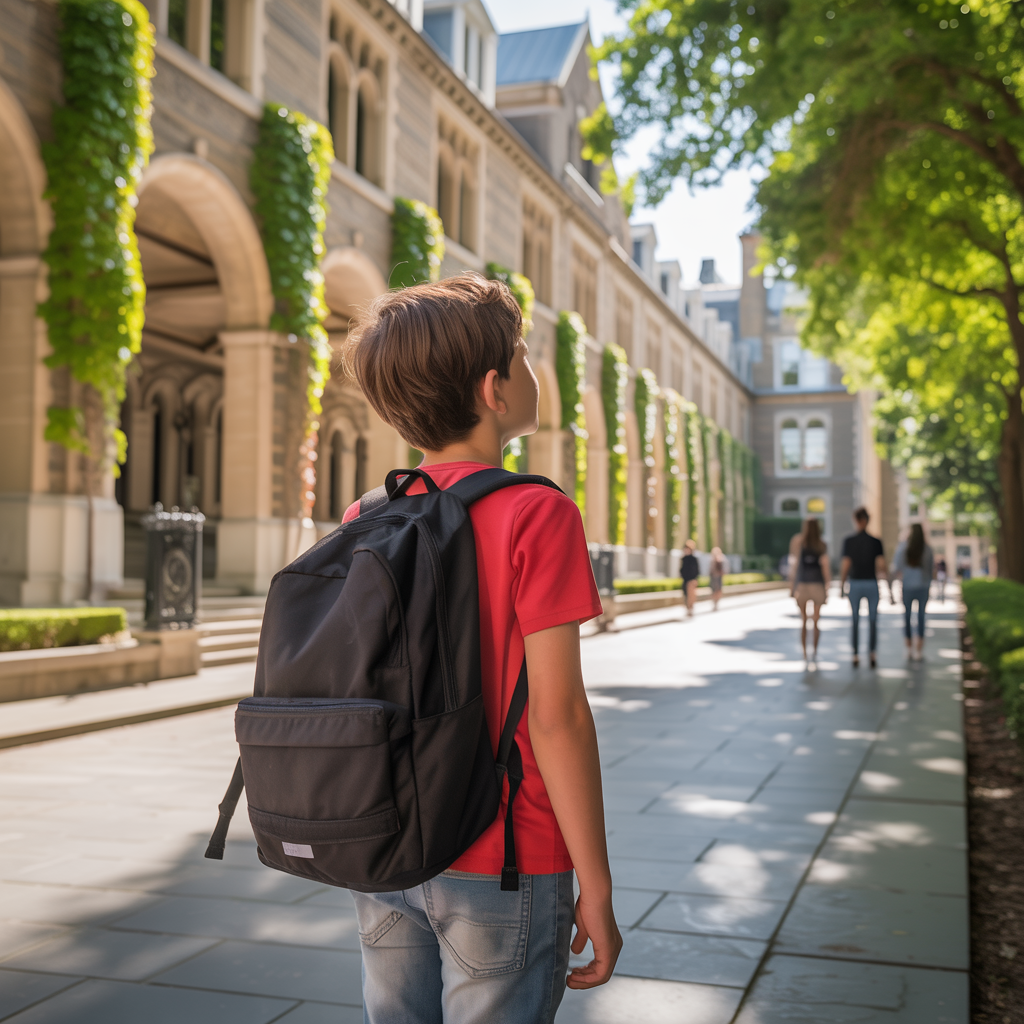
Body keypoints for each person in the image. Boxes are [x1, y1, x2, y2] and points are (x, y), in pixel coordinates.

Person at [341, 274, 621, 1021]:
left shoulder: (369, 514)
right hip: (505, 857)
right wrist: (596, 883)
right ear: (496, 389)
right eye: (525, 357)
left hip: (387, 845)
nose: (532, 372)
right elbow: (557, 718)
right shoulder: (537, 512)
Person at [839, 507, 891, 669]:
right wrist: (889, 586)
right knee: (873, 620)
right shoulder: (876, 542)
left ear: (856, 520)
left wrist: (842, 585)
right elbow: (882, 566)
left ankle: (855, 654)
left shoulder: (849, 541)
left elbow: (846, 564)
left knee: (855, 620)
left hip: (855, 583)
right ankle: (872, 653)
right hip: (871, 583)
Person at [788, 517, 831, 666]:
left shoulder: (798, 542)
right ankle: (815, 651)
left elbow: (794, 566)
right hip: (818, 585)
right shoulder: (822, 544)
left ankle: (805, 652)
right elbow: (825, 566)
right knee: (816, 622)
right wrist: (827, 586)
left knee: (804, 621)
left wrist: (792, 587)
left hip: (803, 585)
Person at [892, 523, 934, 661]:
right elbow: (930, 570)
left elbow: (897, 567)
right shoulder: (927, 549)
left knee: (907, 616)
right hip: (923, 586)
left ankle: (909, 648)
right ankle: (919, 650)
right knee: (921, 616)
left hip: (907, 586)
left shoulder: (903, 547)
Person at [680, 540, 700, 617]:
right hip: (685, 579)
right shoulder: (683, 559)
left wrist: (695, 579)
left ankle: (691, 608)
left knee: (691, 595)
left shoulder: (693, 559)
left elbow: (696, 570)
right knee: (685, 594)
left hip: (691, 579)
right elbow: (681, 569)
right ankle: (687, 608)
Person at [709, 546, 727, 611]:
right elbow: (710, 569)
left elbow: (725, 568)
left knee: (719, 590)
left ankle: (717, 602)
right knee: (713, 590)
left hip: (719, 577)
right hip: (713, 577)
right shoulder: (711, 559)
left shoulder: (722, 558)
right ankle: (714, 602)